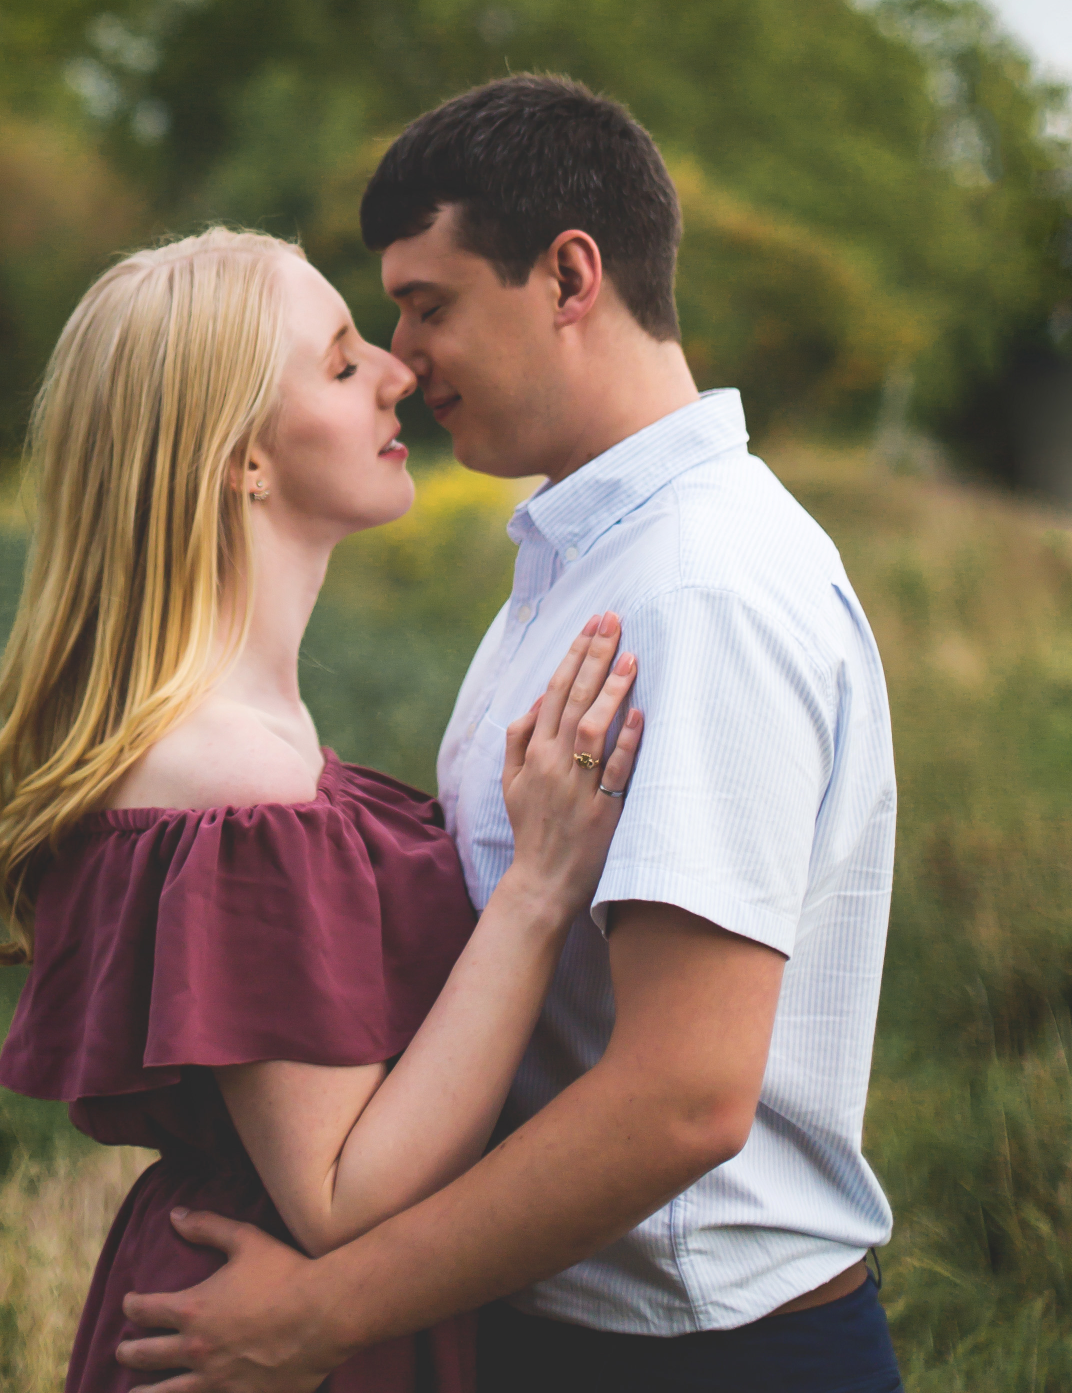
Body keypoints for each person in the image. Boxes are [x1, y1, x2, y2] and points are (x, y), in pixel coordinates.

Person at [115, 75, 903, 1393]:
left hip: (701, 1358)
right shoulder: (578, 563)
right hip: (548, 1327)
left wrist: (324, 1314)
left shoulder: (698, 585)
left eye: (428, 306)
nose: (403, 360)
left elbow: (683, 1098)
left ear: (567, 277)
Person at [0, 224, 644, 1392]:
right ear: (244, 462)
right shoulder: (232, 781)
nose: (397, 371)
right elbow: (340, 1197)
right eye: (340, 363)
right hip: (282, 1334)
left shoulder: (244, 745)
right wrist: (536, 891)